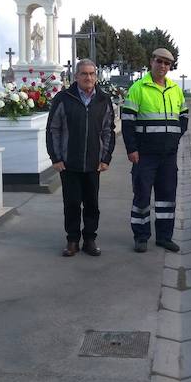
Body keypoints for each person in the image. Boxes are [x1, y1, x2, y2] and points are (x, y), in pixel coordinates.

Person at [46, 59, 116, 257]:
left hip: (94, 163)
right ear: (76, 76)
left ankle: (90, 240)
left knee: (92, 204)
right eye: (84, 74)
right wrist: (56, 157)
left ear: (96, 76)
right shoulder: (63, 98)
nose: (88, 78)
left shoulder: (103, 99)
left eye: (92, 74)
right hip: (69, 162)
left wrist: (105, 158)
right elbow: (53, 129)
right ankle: (72, 241)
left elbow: (107, 130)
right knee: (72, 203)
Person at [122, 47, 189, 253]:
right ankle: (141, 236)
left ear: (170, 66)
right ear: (152, 62)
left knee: (167, 197)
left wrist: (175, 137)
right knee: (142, 196)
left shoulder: (174, 89)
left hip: (168, 155)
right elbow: (127, 121)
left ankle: (164, 237)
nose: (162, 66)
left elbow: (184, 116)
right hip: (144, 154)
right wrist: (132, 149)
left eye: (167, 63)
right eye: (159, 61)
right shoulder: (138, 88)